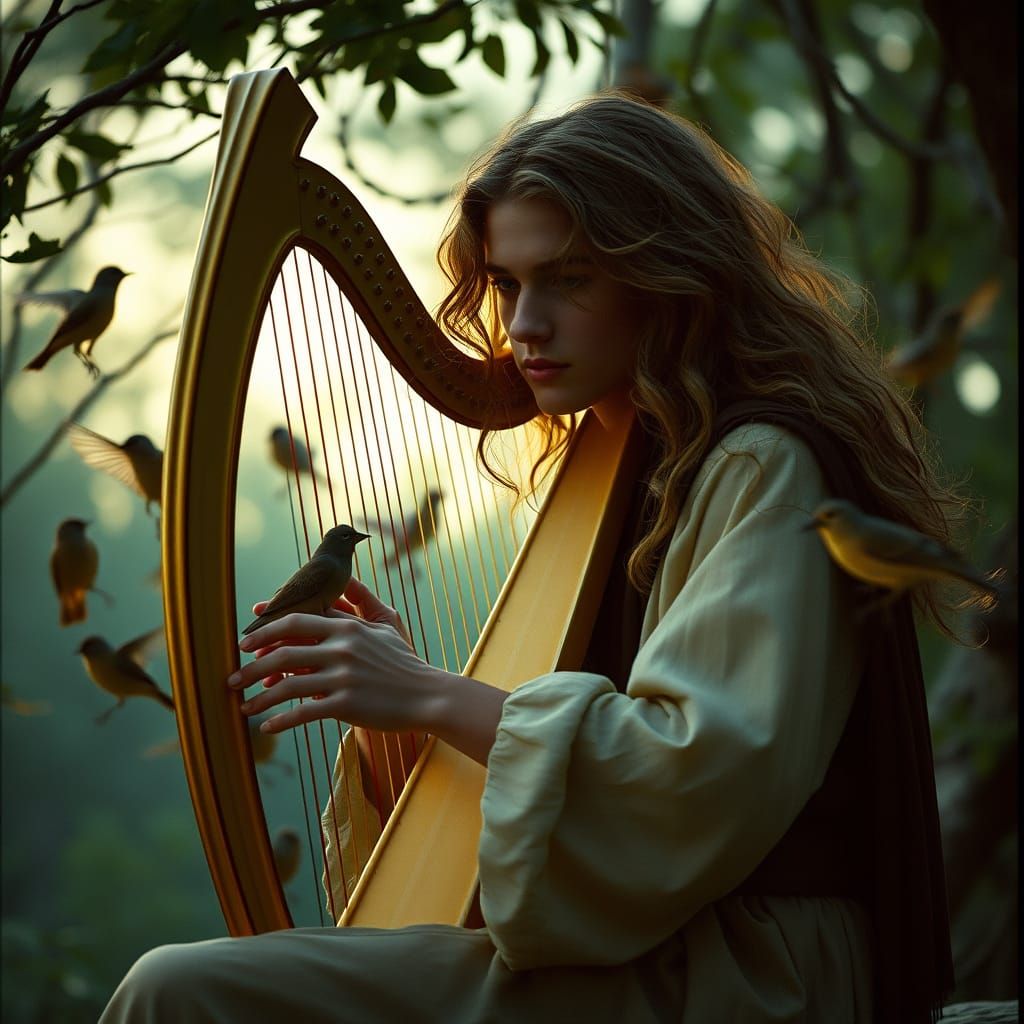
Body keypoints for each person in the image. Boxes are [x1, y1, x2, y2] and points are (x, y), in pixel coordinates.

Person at [100, 92, 962, 1023]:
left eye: (570, 279)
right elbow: (569, 811)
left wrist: (437, 695)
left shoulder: (763, 465)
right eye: (507, 285)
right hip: (658, 943)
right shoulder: (635, 455)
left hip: (745, 971)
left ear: (669, 275)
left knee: (179, 992)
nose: (524, 324)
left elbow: (692, 783)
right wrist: (407, 720)